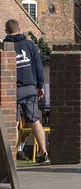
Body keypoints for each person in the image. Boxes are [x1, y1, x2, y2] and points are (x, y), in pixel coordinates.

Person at [4, 19, 50, 164]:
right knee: (34, 120)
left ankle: (11, 157)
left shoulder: (4, 47)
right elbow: (38, 67)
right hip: (30, 89)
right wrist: (40, 86)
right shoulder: (30, 45)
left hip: (11, 91)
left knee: (13, 123)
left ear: (6, 31)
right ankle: (44, 152)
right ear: (19, 29)